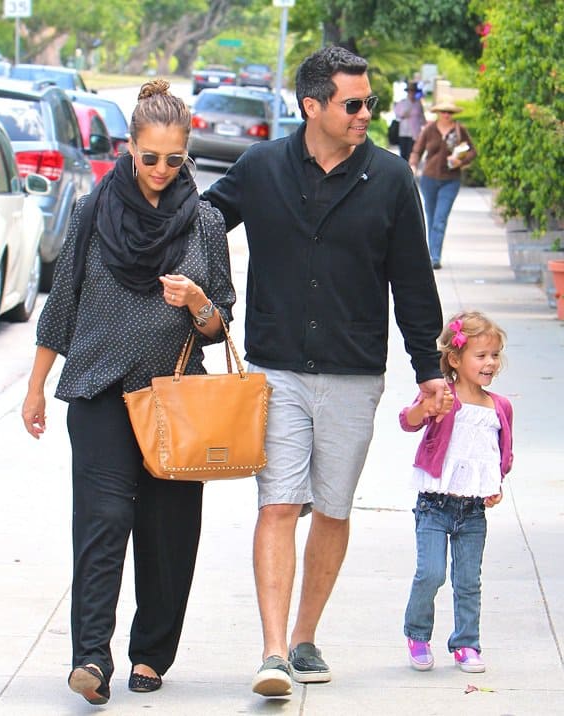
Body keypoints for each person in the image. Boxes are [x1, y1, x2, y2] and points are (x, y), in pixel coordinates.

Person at [202, 45, 446, 698]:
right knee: (277, 502)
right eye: (354, 103)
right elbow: (199, 223)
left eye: (370, 101)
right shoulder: (260, 169)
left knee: (333, 508)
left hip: (353, 373)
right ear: (312, 106)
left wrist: (431, 369)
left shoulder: (391, 180)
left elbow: (414, 285)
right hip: (277, 368)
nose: (369, 112)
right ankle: (274, 650)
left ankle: (306, 636)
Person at [21, 79, 235, 706]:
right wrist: (36, 386)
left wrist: (198, 302)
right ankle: (91, 657)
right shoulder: (92, 210)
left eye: (176, 159)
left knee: (168, 533)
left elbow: (222, 324)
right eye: (151, 158)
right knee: (103, 522)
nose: (162, 170)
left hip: (174, 399)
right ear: (130, 149)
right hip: (97, 391)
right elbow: (62, 306)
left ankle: (151, 653)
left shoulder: (205, 221)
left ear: (187, 154)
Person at [400, 311, 513, 674]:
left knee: (468, 580)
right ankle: (417, 634)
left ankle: (466, 643)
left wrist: (496, 483)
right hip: (434, 504)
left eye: (494, 355)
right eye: (481, 356)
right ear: (455, 358)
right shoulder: (443, 398)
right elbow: (408, 421)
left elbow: (500, 452)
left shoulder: (499, 407)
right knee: (430, 573)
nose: (490, 363)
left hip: (473, 509)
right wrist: (425, 407)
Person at [408, 96, 477, 269]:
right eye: (443, 111)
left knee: (440, 218)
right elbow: (417, 149)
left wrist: (461, 161)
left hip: (450, 180)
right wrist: (413, 165)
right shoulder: (429, 130)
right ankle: (430, 254)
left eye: (450, 112)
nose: (446, 114)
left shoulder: (459, 130)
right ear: (438, 113)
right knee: (430, 218)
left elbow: (472, 152)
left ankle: (435, 257)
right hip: (429, 179)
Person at [393, 81, 426, 161]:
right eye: (410, 91)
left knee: (411, 154)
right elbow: (398, 115)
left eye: (413, 91)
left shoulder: (418, 104)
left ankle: (410, 171)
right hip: (404, 132)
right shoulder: (402, 102)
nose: (412, 93)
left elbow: (422, 117)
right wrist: (405, 113)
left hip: (415, 133)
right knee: (403, 154)